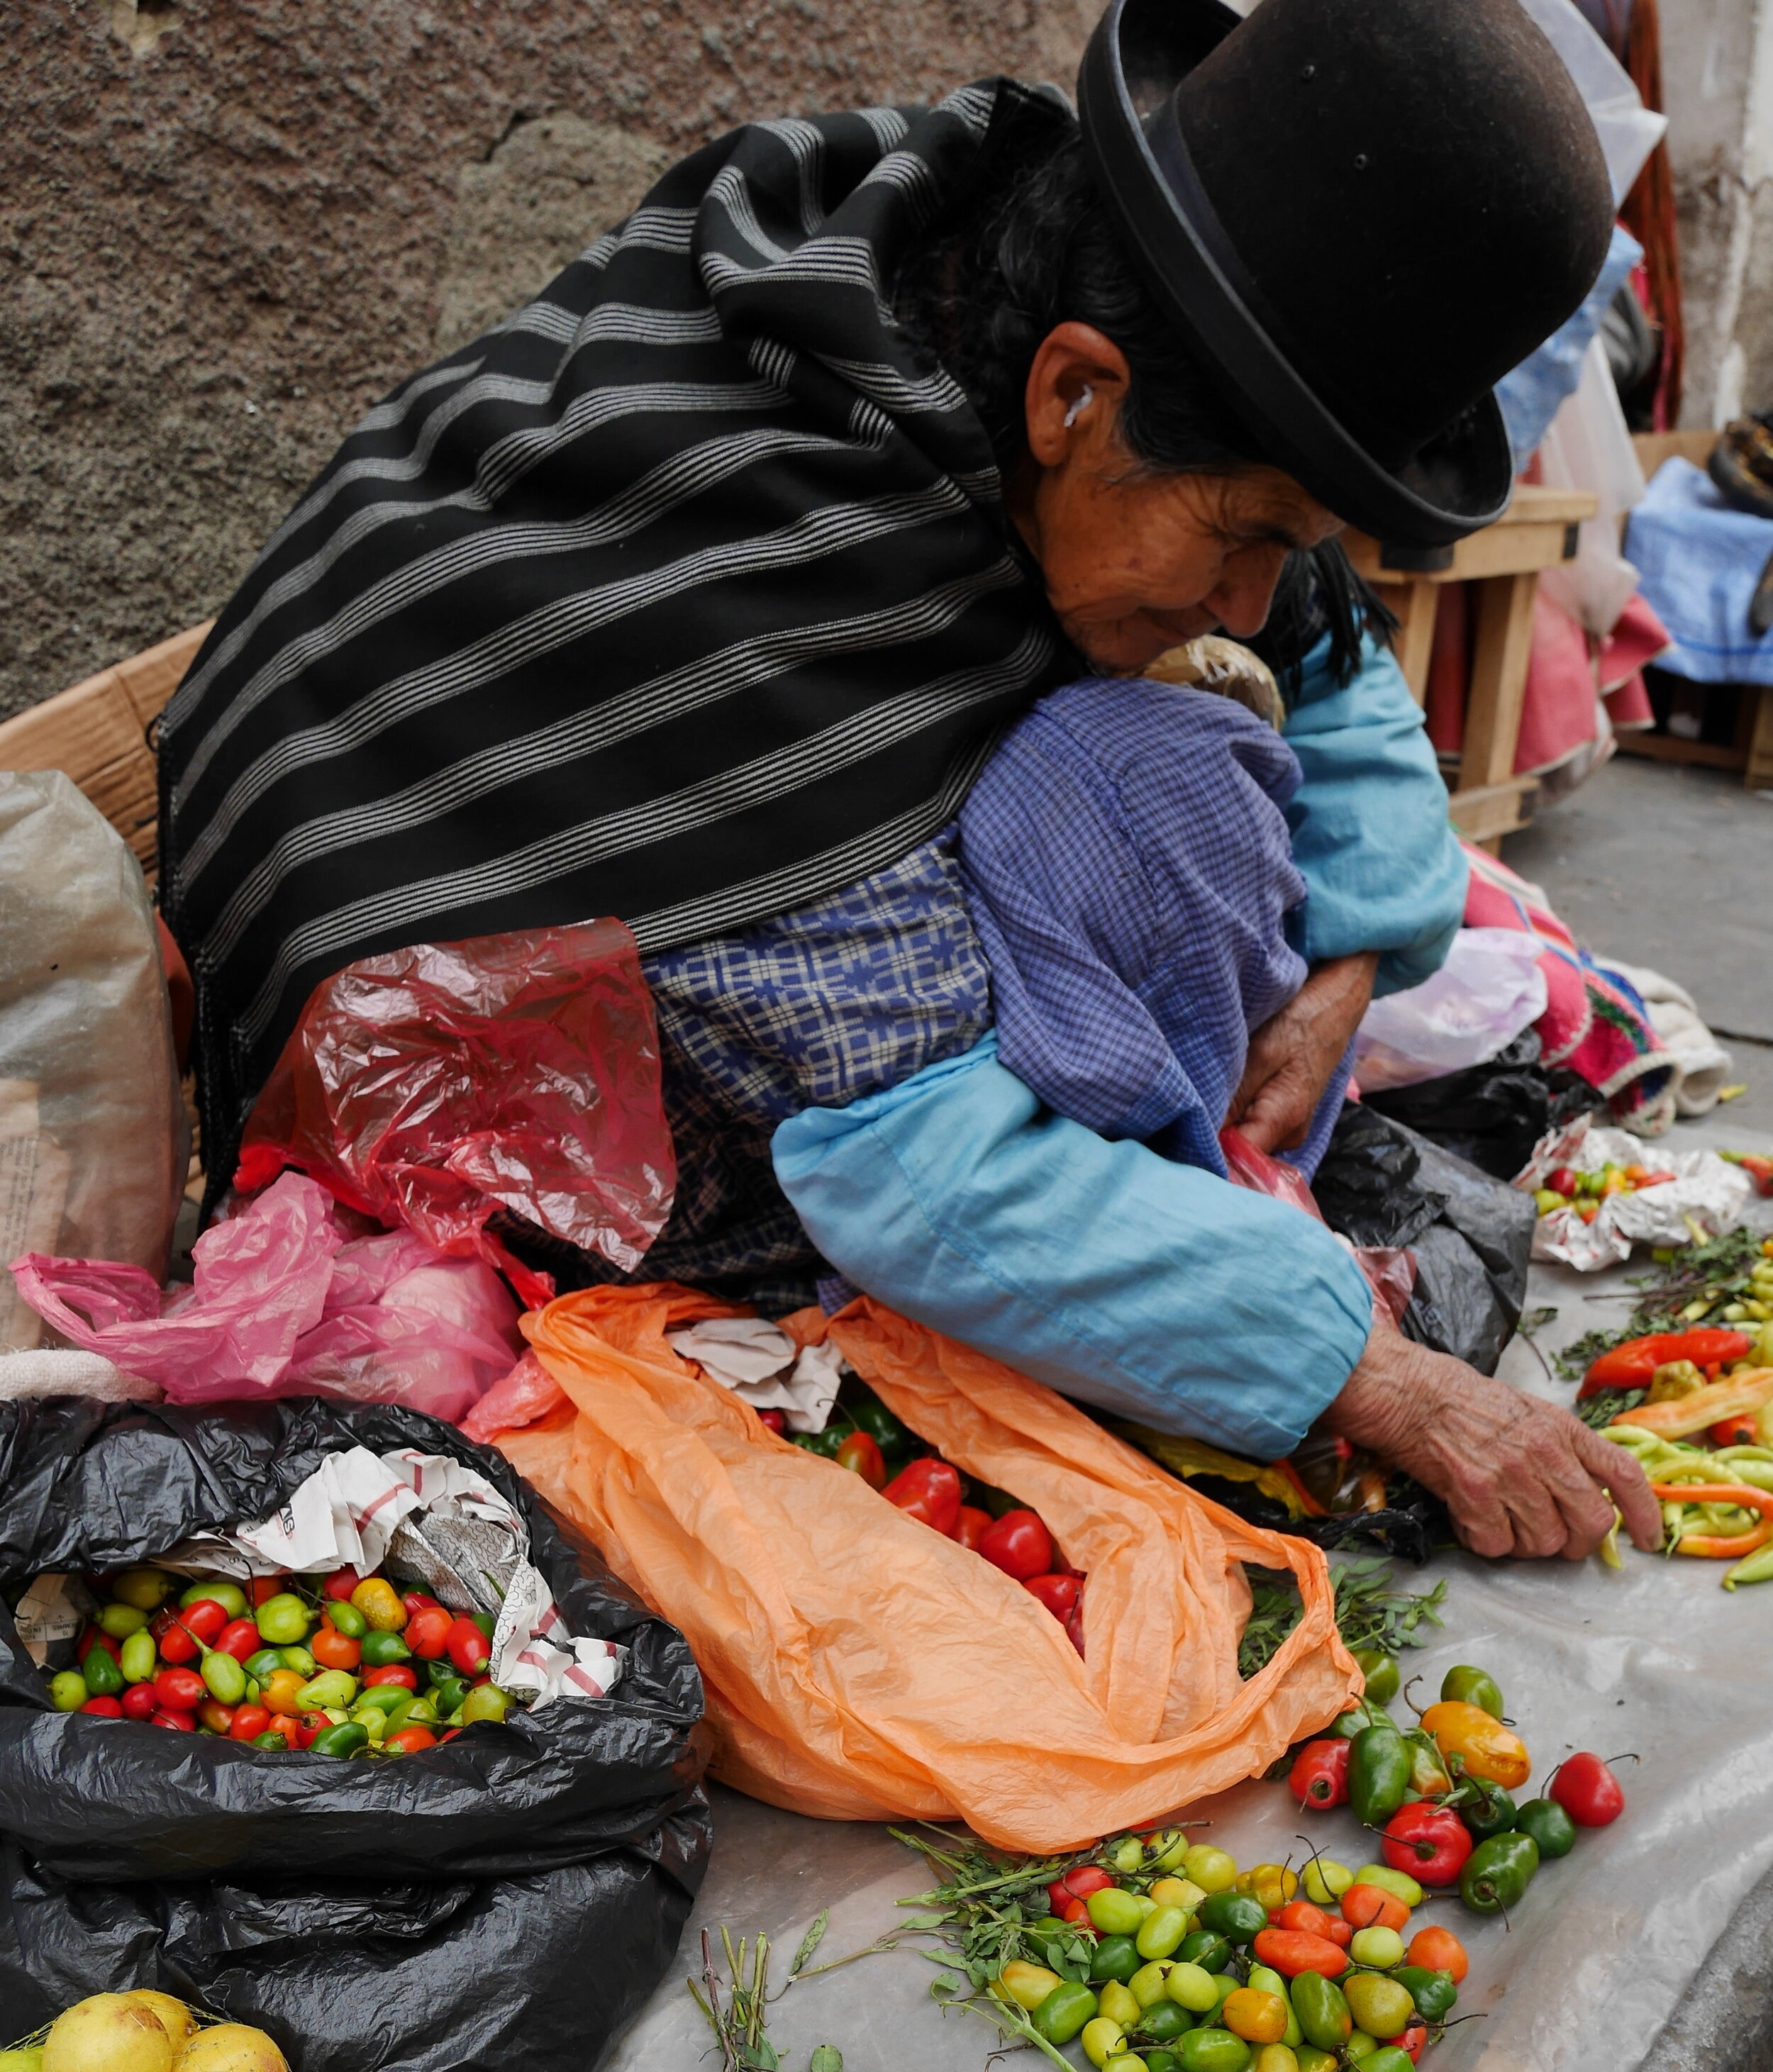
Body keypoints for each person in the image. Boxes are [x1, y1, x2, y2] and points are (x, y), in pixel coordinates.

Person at [157, 0, 1656, 1564]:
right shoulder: (759, 627)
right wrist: (1371, 1374)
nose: (1244, 607)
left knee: (1186, 718)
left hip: (589, 901)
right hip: (456, 1051)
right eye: (1245, 538)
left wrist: (1351, 949)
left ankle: (1175, 1167)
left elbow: (1328, 652)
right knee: (1149, 769)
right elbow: (920, 1176)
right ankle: (1158, 1187)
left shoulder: (972, 277)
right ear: (1072, 393)